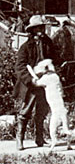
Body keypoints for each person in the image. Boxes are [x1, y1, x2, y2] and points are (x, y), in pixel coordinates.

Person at [13, 15, 61, 150]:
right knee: (25, 111)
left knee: (42, 111)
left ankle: (39, 138)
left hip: (45, 83)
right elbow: (20, 67)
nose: (41, 30)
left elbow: (53, 58)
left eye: (42, 27)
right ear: (32, 30)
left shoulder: (48, 43)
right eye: (38, 28)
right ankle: (19, 138)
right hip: (31, 85)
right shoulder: (26, 47)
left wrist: (57, 66)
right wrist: (31, 80)